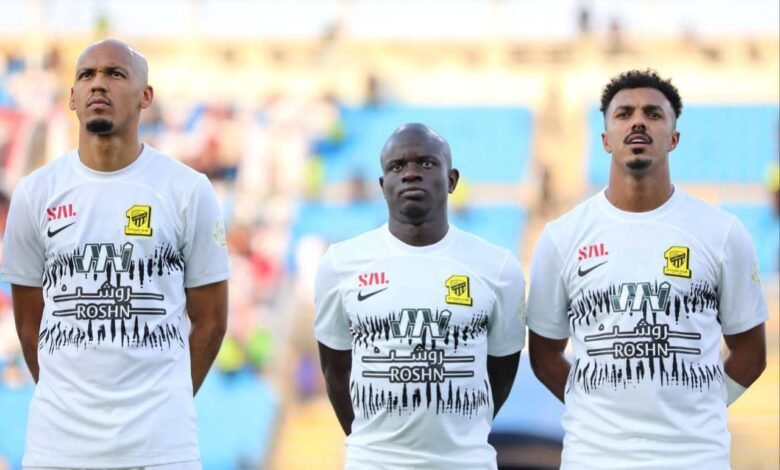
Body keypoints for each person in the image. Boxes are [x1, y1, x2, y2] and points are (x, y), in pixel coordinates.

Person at [0, 39, 230, 469]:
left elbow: (212, 322)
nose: (98, 84)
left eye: (115, 74)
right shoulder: (34, 195)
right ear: (72, 97)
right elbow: (30, 327)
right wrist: (70, 405)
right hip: (58, 449)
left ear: (146, 96)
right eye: (86, 75)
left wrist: (168, 402)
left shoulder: (187, 191)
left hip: (162, 451)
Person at [526, 69, 767, 469]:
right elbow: (544, 353)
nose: (638, 122)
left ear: (674, 138)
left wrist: (700, 409)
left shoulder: (722, 233)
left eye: (653, 114)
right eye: (624, 114)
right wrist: (594, 411)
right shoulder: (561, 237)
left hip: (695, 458)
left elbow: (751, 352)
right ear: (605, 139)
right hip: (594, 458)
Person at [314, 123, 526, 469]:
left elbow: (501, 370)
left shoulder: (498, 268)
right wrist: (374, 446)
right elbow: (334, 369)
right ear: (383, 186)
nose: (410, 173)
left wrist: (462, 435)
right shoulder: (340, 264)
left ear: (452, 180)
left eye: (426, 163)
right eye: (397, 166)